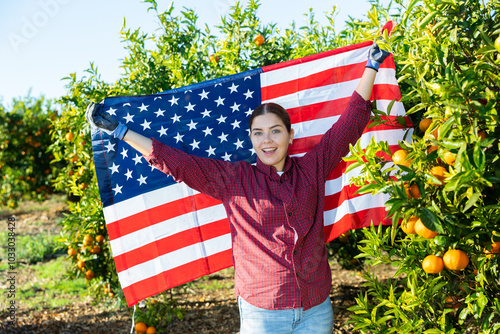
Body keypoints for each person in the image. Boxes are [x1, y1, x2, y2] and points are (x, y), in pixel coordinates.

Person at [86, 43, 390, 334]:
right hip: (263, 312)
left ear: (290, 134)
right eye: (258, 133)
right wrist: (121, 132)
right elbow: (177, 163)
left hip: (316, 307)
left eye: (275, 131)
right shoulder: (234, 179)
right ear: (251, 139)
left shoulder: (312, 167)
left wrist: (371, 67)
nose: (267, 140)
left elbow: (348, 125)